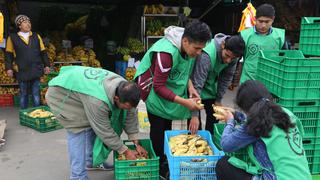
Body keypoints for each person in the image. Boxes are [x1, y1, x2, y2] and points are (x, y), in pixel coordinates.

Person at [134, 20, 211, 178]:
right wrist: (186, 103)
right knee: (158, 128)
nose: (198, 53)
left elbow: (184, 71)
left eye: (201, 49)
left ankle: (166, 160)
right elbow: (159, 87)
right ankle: (159, 164)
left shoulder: (189, 48)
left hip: (168, 86)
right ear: (185, 41)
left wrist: (190, 87)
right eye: (197, 48)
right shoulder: (166, 54)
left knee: (167, 126)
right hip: (153, 90)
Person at [46, 66, 147, 180]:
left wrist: (136, 142)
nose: (128, 108)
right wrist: (125, 151)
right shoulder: (98, 102)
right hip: (62, 95)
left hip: (82, 90)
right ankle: (77, 176)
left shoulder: (124, 88)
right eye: (126, 106)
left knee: (92, 126)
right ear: (116, 98)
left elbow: (131, 112)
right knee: (78, 131)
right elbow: (104, 130)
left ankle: (91, 162)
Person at [215, 80, 311, 180]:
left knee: (223, 165)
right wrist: (237, 115)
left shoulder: (255, 122)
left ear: (246, 107)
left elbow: (226, 145)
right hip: (304, 177)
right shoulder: (286, 113)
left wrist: (230, 121)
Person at [188, 34, 245, 134]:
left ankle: (211, 141)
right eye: (227, 56)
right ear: (223, 45)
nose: (228, 61)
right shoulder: (206, 55)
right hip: (195, 86)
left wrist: (219, 99)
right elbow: (197, 84)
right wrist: (194, 115)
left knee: (214, 117)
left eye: (232, 58)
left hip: (210, 88)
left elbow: (226, 78)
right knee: (195, 124)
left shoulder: (233, 55)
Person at [5, 15, 50, 109]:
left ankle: (37, 113)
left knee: (36, 94)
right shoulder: (12, 38)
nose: (28, 24)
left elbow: (43, 52)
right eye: (25, 22)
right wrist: (9, 68)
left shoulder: (36, 36)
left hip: (35, 68)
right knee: (23, 94)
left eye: (29, 22)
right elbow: (8, 54)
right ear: (19, 25)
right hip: (22, 69)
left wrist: (47, 65)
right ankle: (24, 113)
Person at [239, 4, 286, 84]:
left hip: (272, 81)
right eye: (260, 21)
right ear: (255, 18)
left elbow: (285, 60)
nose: (263, 25)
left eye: (267, 22)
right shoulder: (244, 35)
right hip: (248, 80)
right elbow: (236, 59)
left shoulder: (280, 36)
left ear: (273, 19)